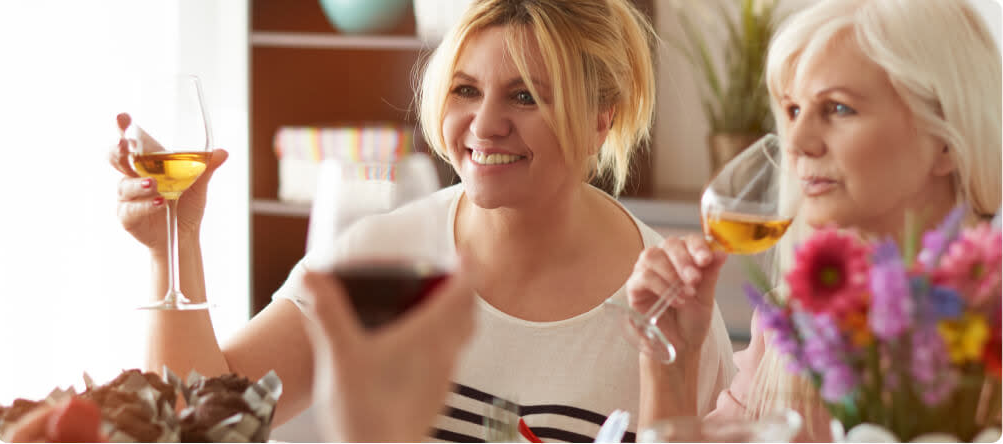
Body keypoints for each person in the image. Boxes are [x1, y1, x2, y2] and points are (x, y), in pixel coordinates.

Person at [109, 0, 736, 441]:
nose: (484, 125)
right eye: (466, 89)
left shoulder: (668, 302)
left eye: (525, 96)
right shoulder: (382, 257)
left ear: (603, 117)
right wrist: (176, 244)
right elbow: (197, 424)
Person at [628, 0, 1001, 440]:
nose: (798, 142)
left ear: (946, 140)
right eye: (792, 111)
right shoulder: (788, 324)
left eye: (839, 108)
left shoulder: (988, 326)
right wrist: (673, 364)